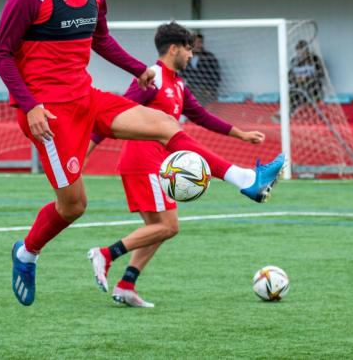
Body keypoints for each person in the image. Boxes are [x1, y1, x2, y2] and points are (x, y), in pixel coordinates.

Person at [0, 0, 285, 306]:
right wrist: (30, 106)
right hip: (49, 115)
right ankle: (27, 252)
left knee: (165, 123)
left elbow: (101, 39)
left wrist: (137, 69)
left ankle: (246, 179)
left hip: (87, 98)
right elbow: (2, 55)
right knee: (74, 206)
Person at [87, 22, 270, 307]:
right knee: (168, 227)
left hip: (157, 165)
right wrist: (86, 150)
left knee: (159, 229)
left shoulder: (178, 84)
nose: (191, 55)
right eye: (188, 49)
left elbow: (201, 116)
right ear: (174, 49)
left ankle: (126, 286)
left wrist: (241, 134)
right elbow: (114, 114)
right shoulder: (153, 77)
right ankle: (105, 254)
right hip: (142, 161)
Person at [180, 32, 220, 106]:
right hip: (191, 92)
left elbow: (216, 75)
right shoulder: (186, 57)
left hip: (206, 93)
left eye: (200, 42)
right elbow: (182, 75)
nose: (198, 45)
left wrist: (210, 89)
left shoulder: (209, 57)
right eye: (196, 43)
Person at [288, 39, 325, 115]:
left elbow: (321, 74)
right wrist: (296, 79)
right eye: (298, 51)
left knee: (304, 93)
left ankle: (292, 112)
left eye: (302, 50)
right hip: (299, 87)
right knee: (290, 93)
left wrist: (307, 77)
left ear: (307, 49)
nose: (301, 53)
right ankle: (286, 113)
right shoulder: (294, 61)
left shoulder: (314, 59)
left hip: (312, 87)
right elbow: (289, 77)